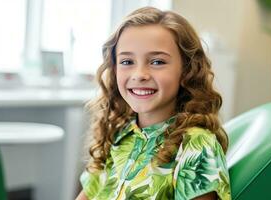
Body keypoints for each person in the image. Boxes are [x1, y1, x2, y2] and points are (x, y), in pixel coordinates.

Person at [76, 6, 231, 200]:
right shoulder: (120, 133)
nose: (140, 74)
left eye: (157, 62)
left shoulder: (196, 146)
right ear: (114, 69)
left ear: (186, 71)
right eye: (127, 62)